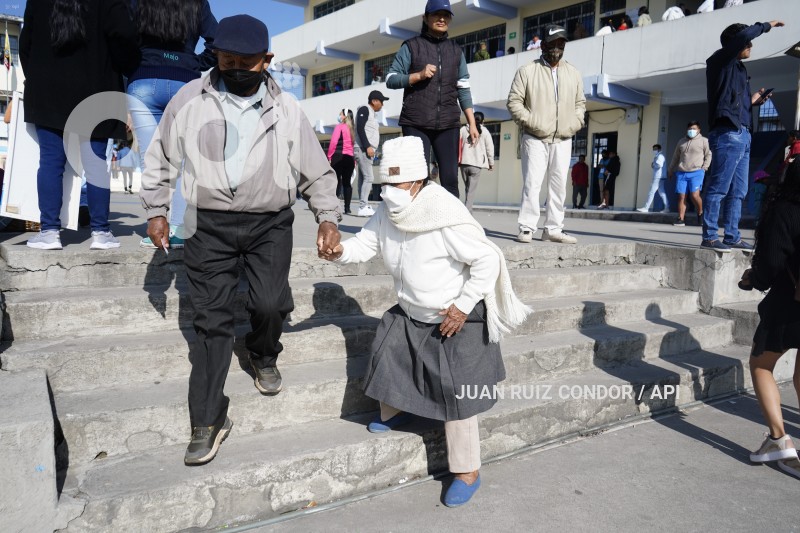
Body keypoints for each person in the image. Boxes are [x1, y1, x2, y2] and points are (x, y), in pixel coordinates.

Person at [139, 15, 341, 465]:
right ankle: (208, 419)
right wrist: (155, 210)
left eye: (245, 63)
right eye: (226, 60)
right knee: (211, 322)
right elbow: (161, 157)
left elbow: (317, 169)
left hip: (270, 224)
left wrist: (327, 218)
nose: (234, 69)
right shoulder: (189, 99)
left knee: (269, 304)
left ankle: (263, 354)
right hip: (207, 225)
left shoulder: (287, 107)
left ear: (266, 61)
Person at [325, 135, 531, 507]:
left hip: (453, 316)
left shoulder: (444, 214)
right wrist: (339, 250)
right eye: (383, 184)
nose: (388, 192)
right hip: (411, 311)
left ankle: (467, 471)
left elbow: (487, 259)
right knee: (390, 352)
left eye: (396, 184)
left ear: (418, 182)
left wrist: (463, 305)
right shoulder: (387, 212)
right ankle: (396, 412)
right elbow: (364, 246)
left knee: (458, 395)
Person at [20, 0, 140, 250]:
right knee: (95, 164)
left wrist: (36, 76)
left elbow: (26, 41)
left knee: (51, 161)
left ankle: (50, 232)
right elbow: (125, 35)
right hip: (96, 85)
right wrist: (121, 66)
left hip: (48, 87)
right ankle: (100, 232)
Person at [128, 0, 218, 249]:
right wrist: (194, 62)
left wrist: (135, 60)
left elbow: (121, 34)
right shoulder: (197, 2)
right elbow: (216, 39)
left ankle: (157, 224)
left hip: (144, 78)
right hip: (186, 82)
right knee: (187, 159)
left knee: (151, 158)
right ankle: (178, 227)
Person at [738, 157, 800, 480]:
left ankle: (778, 439)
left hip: (789, 305)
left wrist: (753, 278)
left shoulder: (784, 211)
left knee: (761, 365)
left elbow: (772, 264)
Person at [702, 20, 784, 252]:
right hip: (727, 133)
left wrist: (753, 102)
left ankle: (732, 235)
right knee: (719, 187)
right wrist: (767, 25)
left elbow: (733, 103)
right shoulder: (720, 61)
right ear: (735, 42)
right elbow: (741, 37)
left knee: (738, 191)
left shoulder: (738, 69)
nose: (750, 44)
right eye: (747, 41)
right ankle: (709, 236)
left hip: (743, 133)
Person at [386, 0, 479, 198]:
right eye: (436, 14)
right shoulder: (411, 46)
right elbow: (390, 79)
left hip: (448, 123)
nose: (442, 19)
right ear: (426, 18)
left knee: (450, 179)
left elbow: (463, 88)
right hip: (416, 121)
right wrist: (417, 76)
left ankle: (449, 225)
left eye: (446, 15)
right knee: (418, 177)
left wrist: (472, 123)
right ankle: (418, 225)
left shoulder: (456, 50)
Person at [507, 24, 585, 244]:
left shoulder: (573, 73)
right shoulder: (527, 71)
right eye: (553, 44)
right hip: (534, 137)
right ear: (543, 45)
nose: (557, 49)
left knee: (559, 186)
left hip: (563, 138)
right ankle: (527, 227)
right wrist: (533, 122)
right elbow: (514, 102)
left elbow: (580, 103)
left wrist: (574, 122)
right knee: (532, 183)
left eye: (561, 44)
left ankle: (553, 229)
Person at [668, 122, 710, 227]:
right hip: (682, 172)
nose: (692, 131)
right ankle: (681, 219)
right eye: (690, 128)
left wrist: (704, 168)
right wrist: (670, 169)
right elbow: (675, 157)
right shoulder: (681, 141)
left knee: (694, 195)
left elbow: (708, 155)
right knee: (681, 196)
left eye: (694, 128)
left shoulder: (704, 141)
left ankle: (700, 212)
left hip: (697, 172)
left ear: (699, 130)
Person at [354, 90, 388, 217]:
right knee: (369, 177)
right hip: (363, 148)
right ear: (374, 101)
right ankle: (363, 207)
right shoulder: (365, 109)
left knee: (363, 178)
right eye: (381, 101)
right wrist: (368, 146)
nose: (382, 104)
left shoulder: (372, 113)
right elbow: (360, 128)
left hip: (365, 149)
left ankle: (364, 205)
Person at [458, 111, 494, 212]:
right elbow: (490, 148)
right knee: (471, 191)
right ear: (483, 121)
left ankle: (467, 211)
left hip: (464, 163)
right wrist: (491, 163)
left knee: (468, 189)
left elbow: (456, 144)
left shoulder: (463, 129)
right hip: (476, 165)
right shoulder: (485, 131)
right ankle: (467, 213)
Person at [327, 108, 356, 214]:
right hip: (350, 159)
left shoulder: (339, 127)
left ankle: (333, 207)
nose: (339, 116)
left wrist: (329, 156)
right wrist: (354, 161)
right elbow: (353, 146)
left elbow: (333, 142)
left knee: (335, 181)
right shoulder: (352, 129)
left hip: (338, 157)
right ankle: (347, 208)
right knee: (347, 183)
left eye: (340, 114)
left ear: (344, 116)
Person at [637, 144, 670, 213]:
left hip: (658, 177)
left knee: (651, 192)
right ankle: (667, 207)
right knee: (662, 193)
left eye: (655, 149)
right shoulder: (659, 156)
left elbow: (659, 165)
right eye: (653, 149)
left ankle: (646, 208)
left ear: (660, 149)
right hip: (661, 176)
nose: (654, 150)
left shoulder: (660, 156)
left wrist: (653, 164)